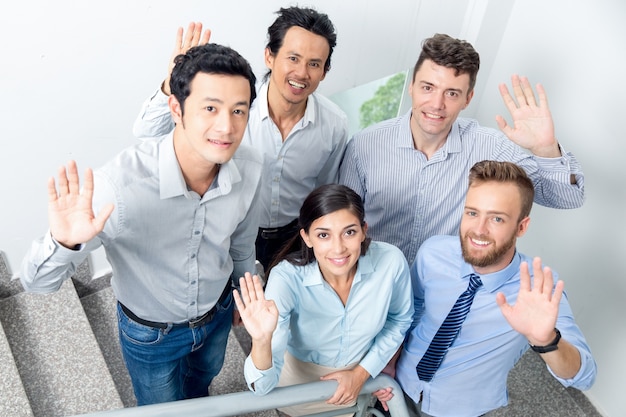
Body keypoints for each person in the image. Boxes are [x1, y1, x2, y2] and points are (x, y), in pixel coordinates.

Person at [20, 43, 262, 406]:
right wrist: (64, 243)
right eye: (210, 108)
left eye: (238, 111)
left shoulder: (252, 165)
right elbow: (36, 285)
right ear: (176, 109)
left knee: (202, 384)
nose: (226, 126)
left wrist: (245, 297)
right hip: (152, 335)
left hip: (218, 312)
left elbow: (242, 245)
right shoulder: (117, 188)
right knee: (161, 408)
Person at [134, 7, 349, 272]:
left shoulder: (335, 125)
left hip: (293, 237)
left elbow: (324, 189)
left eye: (314, 64)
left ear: (324, 72)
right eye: (293, 58)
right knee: (234, 304)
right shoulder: (233, 108)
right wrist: (171, 83)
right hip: (228, 232)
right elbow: (148, 133)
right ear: (269, 56)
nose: (302, 73)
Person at [339, 33, 585, 264]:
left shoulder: (492, 148)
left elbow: (568, 197)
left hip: (444, 295)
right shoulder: (365, 145)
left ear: (467, 99)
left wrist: (545, 149)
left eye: (452, 93)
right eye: (428, 88)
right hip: (375, 286)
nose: (437, 104)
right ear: (411, 86)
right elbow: (339, 226)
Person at [381, 160, 596, 417]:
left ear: (521, 227)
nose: (479, 230)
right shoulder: (434, 252)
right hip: (397, 385)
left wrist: (546, 341)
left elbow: (584, 376)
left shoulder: (537, 290)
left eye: (496, 218)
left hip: (459, 411)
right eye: (472, 213)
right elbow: (410, 310)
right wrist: (389, 365)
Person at [233, 184, 413, 416]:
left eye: (349, 232)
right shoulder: (286, 278)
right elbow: (261, 387)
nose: (338, 248)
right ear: (306, 237)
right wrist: (261, 341)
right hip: (296, 396)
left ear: (364, 230)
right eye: (323, 235)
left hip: (356, 391)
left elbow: (400, 319)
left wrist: (362, 373)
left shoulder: (391, 262)